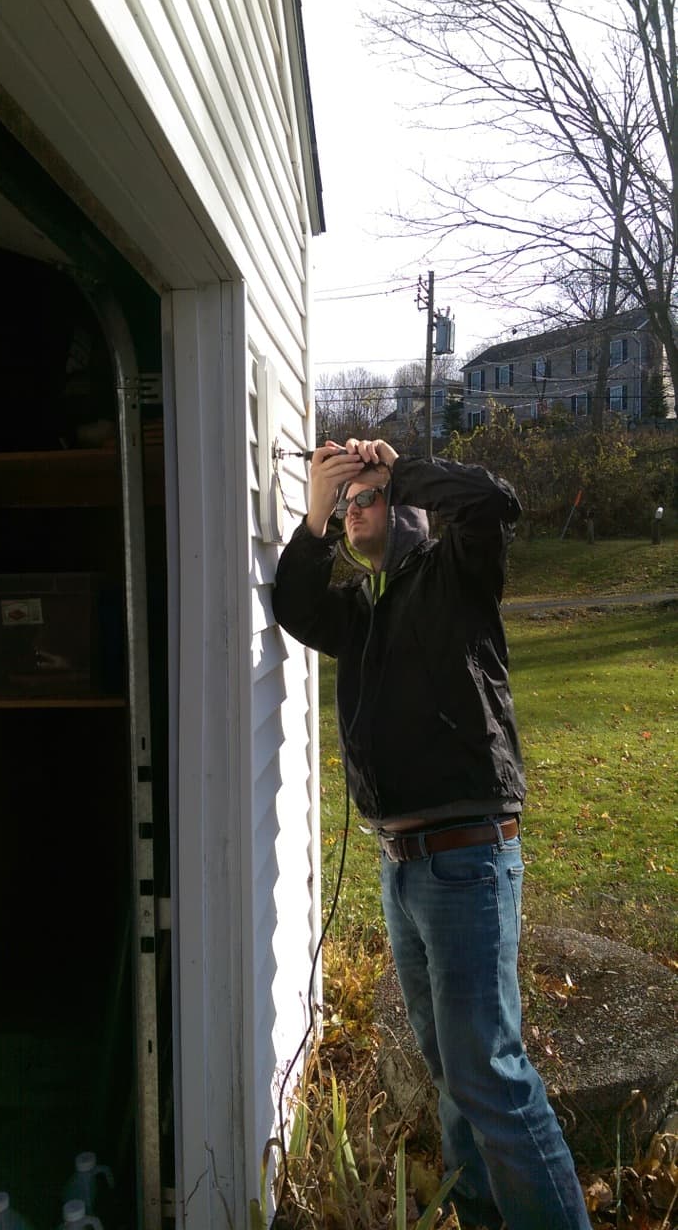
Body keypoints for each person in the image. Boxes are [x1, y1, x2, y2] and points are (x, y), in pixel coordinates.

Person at [272, 437, 592, 1230]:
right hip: (404, 868)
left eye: (367, 498)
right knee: (454, 1070)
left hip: (467, 859)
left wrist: (395, 469)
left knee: (489, 1070)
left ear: (410, 511)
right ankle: (481, 1214)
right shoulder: (360, 611)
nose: (355, 510)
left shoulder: (456, 571)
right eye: (347, 505)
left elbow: (491, 500)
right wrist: (316, 518)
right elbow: (294, 606)